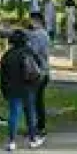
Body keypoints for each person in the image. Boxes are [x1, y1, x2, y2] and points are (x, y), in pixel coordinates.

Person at [0, 28, 43, 151]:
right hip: (28, 87)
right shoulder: (28, 52)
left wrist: (3, 89)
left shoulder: (7, 55)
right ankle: (33, 139)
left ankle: (12, 141)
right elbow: (38, 66)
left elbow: (2, 75)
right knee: (30, 113)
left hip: (12, 89)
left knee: (14, 114)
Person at [26, 10, 52, 138]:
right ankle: (40, 126)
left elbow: (33, 52)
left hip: (37, 72)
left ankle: (36, 127)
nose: (29, 22)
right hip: (44, 71)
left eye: (31, 20)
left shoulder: (37, 35)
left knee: (33, 101)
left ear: (36, 21)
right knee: (38, 101)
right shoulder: (45, 34)